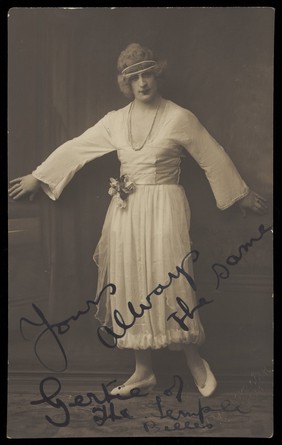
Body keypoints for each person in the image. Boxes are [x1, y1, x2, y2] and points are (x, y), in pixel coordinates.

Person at [9, 43, 267, 397]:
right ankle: (143, 371)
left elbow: (212, 155)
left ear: (157, 75)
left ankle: (194, 359)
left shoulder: (179, 117)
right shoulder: (116, 120)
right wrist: (39, 176)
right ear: (125, 83)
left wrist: (240, 194)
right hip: (126, 210)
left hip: (165, 205)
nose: (142, 83)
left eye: (147, 74)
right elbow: (78, 146)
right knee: (130, 279)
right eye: (134, 77)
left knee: (169, 277)